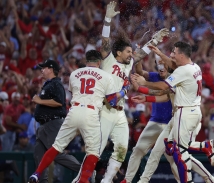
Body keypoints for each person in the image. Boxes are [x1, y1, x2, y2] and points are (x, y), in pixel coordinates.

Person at [98, 2, 169, 183]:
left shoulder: (129, 63)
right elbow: (105, 42)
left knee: (121, 150)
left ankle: (107, 181)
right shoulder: (108, 59)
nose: (131, 54)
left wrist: (154, 41)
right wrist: (107, 20)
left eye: (131, 52)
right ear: (119, 52)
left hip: (120, 111)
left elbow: (141, 54)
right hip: (105, 110)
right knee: (95, 151)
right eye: (128, 51)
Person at [29, 50, 122, 183]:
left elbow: (76, 92)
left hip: (74, 111)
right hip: (90, 113)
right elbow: (112, 101)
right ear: (99, 62)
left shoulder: (75, 73)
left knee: (56, 147)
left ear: (86, 60)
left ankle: (36, 174)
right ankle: (83, 180)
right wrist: (123, 92)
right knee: (93, 153)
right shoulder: (106, 76)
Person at [132, 41, 214, 183]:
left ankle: (199, 175)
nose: (171, 56)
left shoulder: (181, 72)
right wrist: (159, 53)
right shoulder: (193, 67)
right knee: (170, 147)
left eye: (174, 52)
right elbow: (165, 93)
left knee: (180, 152)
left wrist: (144, 83)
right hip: (185, 113)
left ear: (182, 55)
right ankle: (205, 148)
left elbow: (163, 87)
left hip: (185, 114)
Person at [120, 57, 179, 183]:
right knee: (138, 150)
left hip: (171, 124)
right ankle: (127, 180)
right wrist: (138, 59)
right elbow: (141, 73)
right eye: (159, 64)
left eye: (164, 64)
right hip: (155, 121)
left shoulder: (175, 78)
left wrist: (143, 87)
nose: (161, 67)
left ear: (170, 66)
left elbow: (163, 92)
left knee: (173, 159)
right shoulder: (154, 76)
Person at [29, 59, 82, 183]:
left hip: (52, 124)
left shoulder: (56, 84)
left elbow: (59, 102)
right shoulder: (48, 84)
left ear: (51, 69)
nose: (42, 70)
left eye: (44, 67)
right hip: (44, 125)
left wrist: (40, 101)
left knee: (57, 155)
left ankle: (85, 170)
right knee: (38, 155)